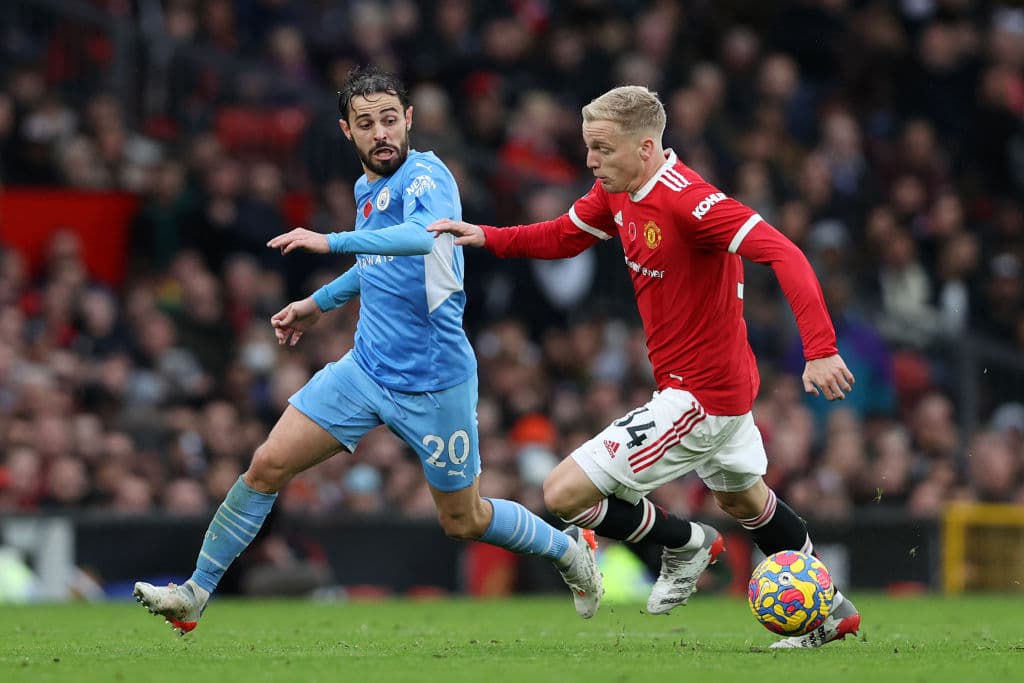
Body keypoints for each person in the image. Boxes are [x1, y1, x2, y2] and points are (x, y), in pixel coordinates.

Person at [133, 67, 602, 635]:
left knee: (464, 520)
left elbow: (424, 236)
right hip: (365, 371)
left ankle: (570, 551)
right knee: (266, 466)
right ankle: (194, 594)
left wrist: (328, 241)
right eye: (365, 123)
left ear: (407, 120)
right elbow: (377, 264)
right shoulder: (367, 190)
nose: (380, 132)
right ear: (346, 131)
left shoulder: (429, 177)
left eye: (388, 119)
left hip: (435, 383)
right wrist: (319, 302)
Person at [429, 85, 860, 649]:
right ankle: (834, 610)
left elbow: (785, 252)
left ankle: (687, 544)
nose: (590, 161)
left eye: (602, 149)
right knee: (744, 500)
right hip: (718, 385)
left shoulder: (690, 201)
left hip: (699, 396)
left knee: (562, 494)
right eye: (588, 147)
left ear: (647, 147)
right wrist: (486, 236)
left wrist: (820, 347)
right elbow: (562, 236)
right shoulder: (618, 191)